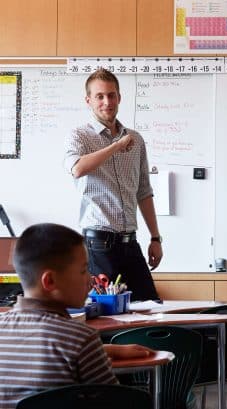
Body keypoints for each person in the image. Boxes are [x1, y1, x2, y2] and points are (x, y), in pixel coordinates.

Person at [0, 223, 153, 409]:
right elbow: (112, 402)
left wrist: (105, 350)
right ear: (49, 281)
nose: (91, 279)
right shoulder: (79, 338)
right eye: (83, 270)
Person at [64, 68, 162, 301]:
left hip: (131, 242)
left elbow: (144, 192)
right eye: (99, 96)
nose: (107, 102)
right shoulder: (79, 136)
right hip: (98, 244)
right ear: (88, 100)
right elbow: (77, 168)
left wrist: (155, 238)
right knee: (106, 316)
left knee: (151, 306)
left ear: (119, 97)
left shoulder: (135, 140)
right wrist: (116, 146)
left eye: (111, 95)